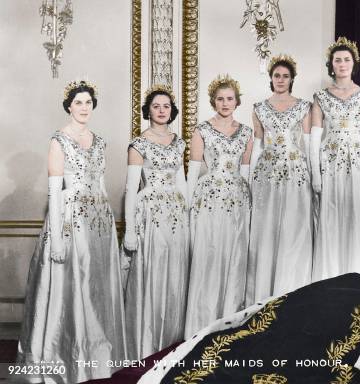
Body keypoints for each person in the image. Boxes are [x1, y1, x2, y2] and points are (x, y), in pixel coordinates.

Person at [18, 80, 126, 382]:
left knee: (95, 288)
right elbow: (55, 191)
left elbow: (101, 185)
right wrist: (56, 238)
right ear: (69, 106)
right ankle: (64, 357)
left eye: (88, 102)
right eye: (78, 102)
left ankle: (97, 357)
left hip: (98, 222)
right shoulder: (59, 140)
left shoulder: (100, 140)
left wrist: (109, 226)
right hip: (68, 220)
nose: (84, 107)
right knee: (72, 288)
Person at [123, 85, 189, 359]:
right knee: (152, 271)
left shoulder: (180, 142)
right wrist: (129, 229)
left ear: (171, 111)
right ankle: (146, 341)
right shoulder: (138, 144)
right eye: (156, 106)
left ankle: (172, 341)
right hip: (149, 214)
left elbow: (182, 182)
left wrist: (189, 217)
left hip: (175, 213)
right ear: (148, 111)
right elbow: (130, 188)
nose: (161, 111)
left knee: (175, 273)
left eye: (165, 106)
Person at [184, 75, 253, 337]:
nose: (225, 103)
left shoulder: (246, 132)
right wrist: (189, 207)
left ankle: (229, 323)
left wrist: (249, 205)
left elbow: (245, 172)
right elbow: (192, 174)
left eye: (230, 98)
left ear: (237, 101)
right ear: (213, 101)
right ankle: (202, 325)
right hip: (209, 200)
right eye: (220, 99)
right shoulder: (201, 130)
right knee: (209, 256)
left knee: (234, 259)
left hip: (237, 200)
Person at [247, 54, 313, 304]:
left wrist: (312, 174)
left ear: (292, 79)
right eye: (277, 76)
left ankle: (292, 289)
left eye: (286, 76)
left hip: (296, 171)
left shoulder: (304, 106)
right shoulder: (259, 108)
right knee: (268, 228)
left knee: (294, 228)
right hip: (267, 173)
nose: (281, 80)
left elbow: (307, 143)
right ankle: (265, 292)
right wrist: (252, 178)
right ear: (271, 79)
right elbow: (258, 145)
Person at [310, 36, 360, 281]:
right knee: (331, 211)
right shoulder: (320, 97)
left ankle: (355, 269)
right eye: (337, 60)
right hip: (330, 159)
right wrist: (315, 173)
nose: (342, 64)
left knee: (355, 212)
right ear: (332, 64)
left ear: (353, 63)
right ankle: (330, 273)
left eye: (346, 59)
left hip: (357, 158)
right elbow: (315, 137)